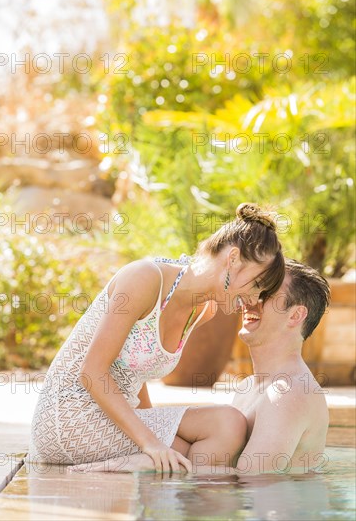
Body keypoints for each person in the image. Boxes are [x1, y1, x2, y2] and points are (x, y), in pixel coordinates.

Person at [29, 202, 285, 473]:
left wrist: (154, 431)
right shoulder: (145, 279)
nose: (255, 299)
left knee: (228, 423)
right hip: (67, 418)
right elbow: (92, 372)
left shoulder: (204, 311)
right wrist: (152, 443)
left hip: (113, 416)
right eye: (257, 285)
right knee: (186, 455)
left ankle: (146, 478)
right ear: (232, 259)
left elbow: (135, 369)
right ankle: (133, 471)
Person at [232, 258, 331, 475]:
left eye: (265, 293)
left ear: (295, 315)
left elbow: (252, 480)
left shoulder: (289, 392)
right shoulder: (247, 387)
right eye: (253, 288)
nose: (250, 299)